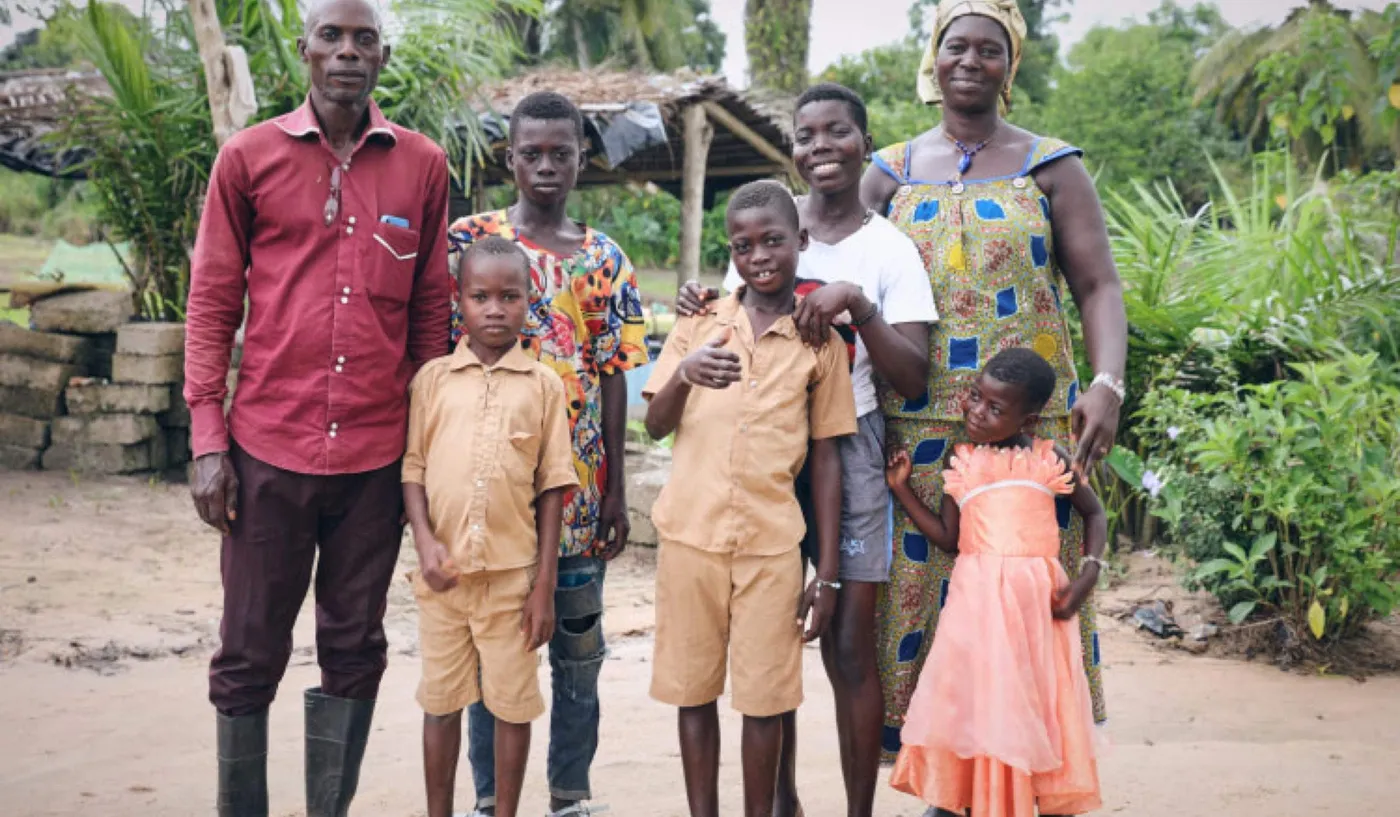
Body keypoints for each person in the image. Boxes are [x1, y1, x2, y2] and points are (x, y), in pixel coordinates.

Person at [183, 0, 451, 812]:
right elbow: (212, 302)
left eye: (363, 39)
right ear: (303, 52)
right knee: (247, 649)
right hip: (266, 448)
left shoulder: (422, 165)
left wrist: (428, 450)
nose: (346, 52)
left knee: (354, 645)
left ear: (383, 54)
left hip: (375, 459)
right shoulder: (248, 156)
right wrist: (207, 438)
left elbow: (432, 314)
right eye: (330, 37)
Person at [859, 0, 1128, 762]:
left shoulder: (1052, 164)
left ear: (1011, 67)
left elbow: (1098, 286)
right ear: (932, 60)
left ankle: (1030, 770)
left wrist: (1107, 381)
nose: (970, 61)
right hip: (918, 427)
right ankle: (942, 772)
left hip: (1030, 429)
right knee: (921, 602)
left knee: (1024, 598)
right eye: (956, 47)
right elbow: (829, 262)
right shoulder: (889, 171)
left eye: (990, 50)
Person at [676, 83, 938, 817]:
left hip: (848, 449)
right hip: (764, 453)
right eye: (806, 135)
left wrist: (857, 303)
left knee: (848, 644)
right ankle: (781, 801)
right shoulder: (772, 230)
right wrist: (696, 307)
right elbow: (729, 322)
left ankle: (858, 810)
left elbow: (912, 376)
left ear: (865, 142)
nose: (820, 146)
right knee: (770, 637)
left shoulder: (888, 248)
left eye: (837, 132)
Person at [447, 91, 648, 817]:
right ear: (510, 158)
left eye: (561, 153)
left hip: (582, 492)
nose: (545, 166)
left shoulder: (604, 259)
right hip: (489, 491)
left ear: (581, 159)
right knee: (489, 653)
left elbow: (616, 371)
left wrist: (617, 488)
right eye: (531, 152)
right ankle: (488, 797)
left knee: (577, 652)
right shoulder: (471, 242)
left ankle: (569, 796)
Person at [643, 180, 857, 817]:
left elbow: (826, 457)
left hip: (771, 548)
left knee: (766, 700)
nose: (760, 255)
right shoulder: (699, 322)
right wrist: (685, 375)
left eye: (773, 241)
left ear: (802, 242)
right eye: (744, 245)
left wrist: (830, 576)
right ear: (730, 252)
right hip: (690, 540)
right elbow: (655, 425)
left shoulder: (822, 343)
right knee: (694, 690)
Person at [884, 348, 1105, 817]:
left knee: (1033, 702)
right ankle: (955, 798)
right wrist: (902, 487)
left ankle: (1024, 796)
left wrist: (1087, 576)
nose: (978, 413)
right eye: (976, 398)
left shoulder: (1049, 460)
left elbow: (1096, 513)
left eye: (995, 408)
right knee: (972, 700)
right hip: (977, 611)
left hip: (1034, 613)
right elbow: (947, 538)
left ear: (1028, 419)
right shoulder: (961, 461)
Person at [404, 236, 580, 817]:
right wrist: (425, 544)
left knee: (512, 704)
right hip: (442, 579)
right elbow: (413, 470)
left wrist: (544, 586)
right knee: (441, 702)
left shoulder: (544, 387)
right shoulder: (432, 380)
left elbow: (555, 484)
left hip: (511, 581)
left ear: (531, 300)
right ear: (460, 301)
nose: (495, 309)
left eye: (510, 296)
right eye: (480, 296)